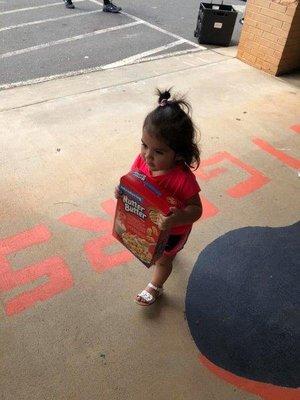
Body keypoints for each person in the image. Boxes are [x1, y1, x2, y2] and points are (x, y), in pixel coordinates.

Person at [115, 89, 203, 306]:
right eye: (144, 145)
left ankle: (156, 286)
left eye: (159, 152)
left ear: (179, 155)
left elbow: (197, 210)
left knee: (163, 261)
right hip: (147, 227)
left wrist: (177, 218)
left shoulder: (183, 179)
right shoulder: (142, 161)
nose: (147, 156)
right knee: (153, 254)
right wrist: (122, 192)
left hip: (172, 231)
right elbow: (134, 181)